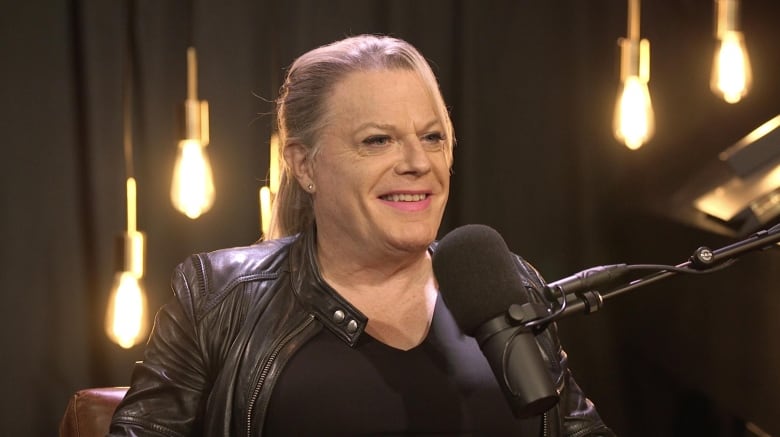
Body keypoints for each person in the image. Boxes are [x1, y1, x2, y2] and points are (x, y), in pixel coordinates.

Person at [109, 34, 614, 436]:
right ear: (304, 164)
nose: (418, 163)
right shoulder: (216, 297)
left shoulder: (505, 285)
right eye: (378, 141)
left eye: (432, 137)